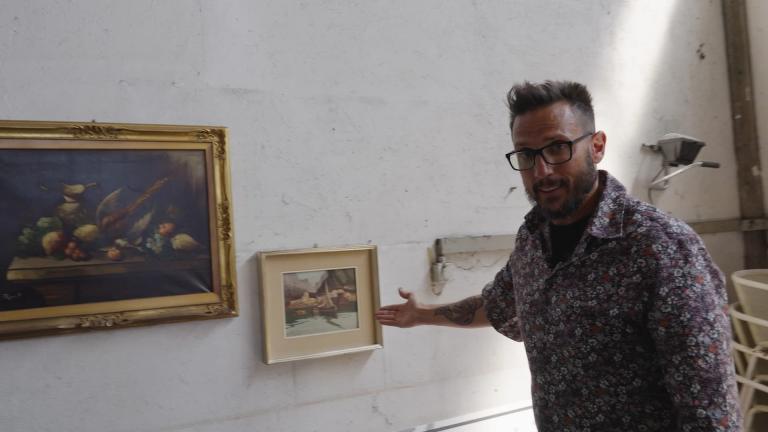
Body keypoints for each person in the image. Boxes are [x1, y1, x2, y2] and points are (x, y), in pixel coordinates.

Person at [375, 80, 741, 431]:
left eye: (557, 148)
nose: (542, 171)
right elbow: (499, 305)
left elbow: (710, 405)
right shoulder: (533, 239)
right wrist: (422, 314)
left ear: (596, 146)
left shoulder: (661, 246)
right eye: (526, 154)